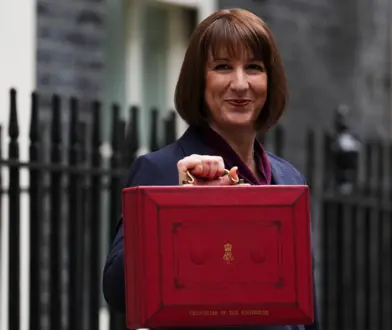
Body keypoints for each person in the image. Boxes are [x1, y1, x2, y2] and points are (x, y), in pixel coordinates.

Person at [102, 8, 319, 330]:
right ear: (198, 81)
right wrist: (184, 207)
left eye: (254, 68)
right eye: (222, 67)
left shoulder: (288, 177)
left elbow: (305, 307)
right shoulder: (160, 170)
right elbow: (119, 292)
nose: (241, 83)